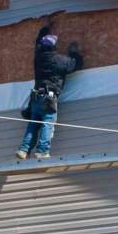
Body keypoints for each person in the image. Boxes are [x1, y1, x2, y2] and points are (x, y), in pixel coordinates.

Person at [16, 26, 83, 160]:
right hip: (49, 99)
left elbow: (37, 45)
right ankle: (42, 151)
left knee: (33, 124)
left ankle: (24, 150)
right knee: (47, 124)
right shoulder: (59, 60)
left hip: (35, 98)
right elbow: (74, 64)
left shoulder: (38, 58)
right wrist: (74, 52)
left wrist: (43, 30)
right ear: (53, 46)